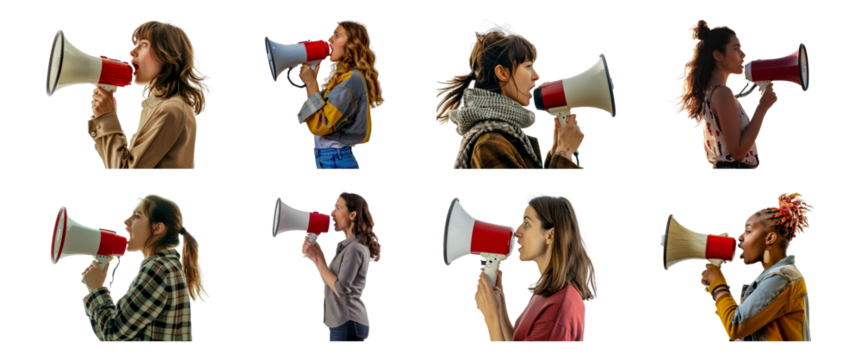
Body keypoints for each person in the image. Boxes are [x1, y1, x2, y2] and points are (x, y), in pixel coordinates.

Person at [434, 18, 586, 170]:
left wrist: (555, 152)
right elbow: (533, 194)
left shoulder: (506, 138)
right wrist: (564, 152)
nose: (537, 76)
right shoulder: (490, 143)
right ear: (502, 72)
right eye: (528, 66)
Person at [81, 191, 211, 342]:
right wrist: (94, 290)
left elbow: (112, 334)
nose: (125, 221)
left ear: (157, 228)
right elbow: (106, 335)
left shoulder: (158, 270)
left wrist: (97, 289)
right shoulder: (168, 266)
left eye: (136, 216)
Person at [87, 18, 214, 170]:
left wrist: (106, 119)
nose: (132, 52)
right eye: (134, 45)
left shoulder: (171, 109)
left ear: (167, 54)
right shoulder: (159, 106)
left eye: (144, 44)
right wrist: (105, 117)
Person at [474, 192, 599, 342]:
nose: (516, 232)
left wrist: (491, 316)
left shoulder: (558, 309)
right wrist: (500, 305)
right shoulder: (548, 292)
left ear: (550, 235)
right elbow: (516, 340)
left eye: (526, 224)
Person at [699, 191, 814, 342]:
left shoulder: (782, 278)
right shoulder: (769, 277)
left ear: (770, 238)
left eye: (748, 231)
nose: (739, 237)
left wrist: (718, 285)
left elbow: (735, 327)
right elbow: (744, 323)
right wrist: (716, 285)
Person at [666, 18, 778, 170]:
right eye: (736, 48)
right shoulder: (722, 93)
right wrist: (763, 106)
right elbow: (738, 152)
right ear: (718, 55)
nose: (743, 53)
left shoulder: (714, 93)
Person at [295, 19, 385, 170]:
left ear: (353, 44)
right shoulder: (343, 78)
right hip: (329, 157)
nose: (328, 39)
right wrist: (311, 82)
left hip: (334, 159)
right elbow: (316, 116)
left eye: (336, 35)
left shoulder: (352, 79)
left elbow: (320, 125)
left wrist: (311, 84)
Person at [299, 192, 381, 342]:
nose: (330, 213)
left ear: (352, 215)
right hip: (341, 323)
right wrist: (317, 252)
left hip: (348, 322)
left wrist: (317, 258)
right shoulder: (345, 247)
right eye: (331, 208)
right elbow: (330, 281)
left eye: (337, 208)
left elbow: (340, 289)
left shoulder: (355, 248)